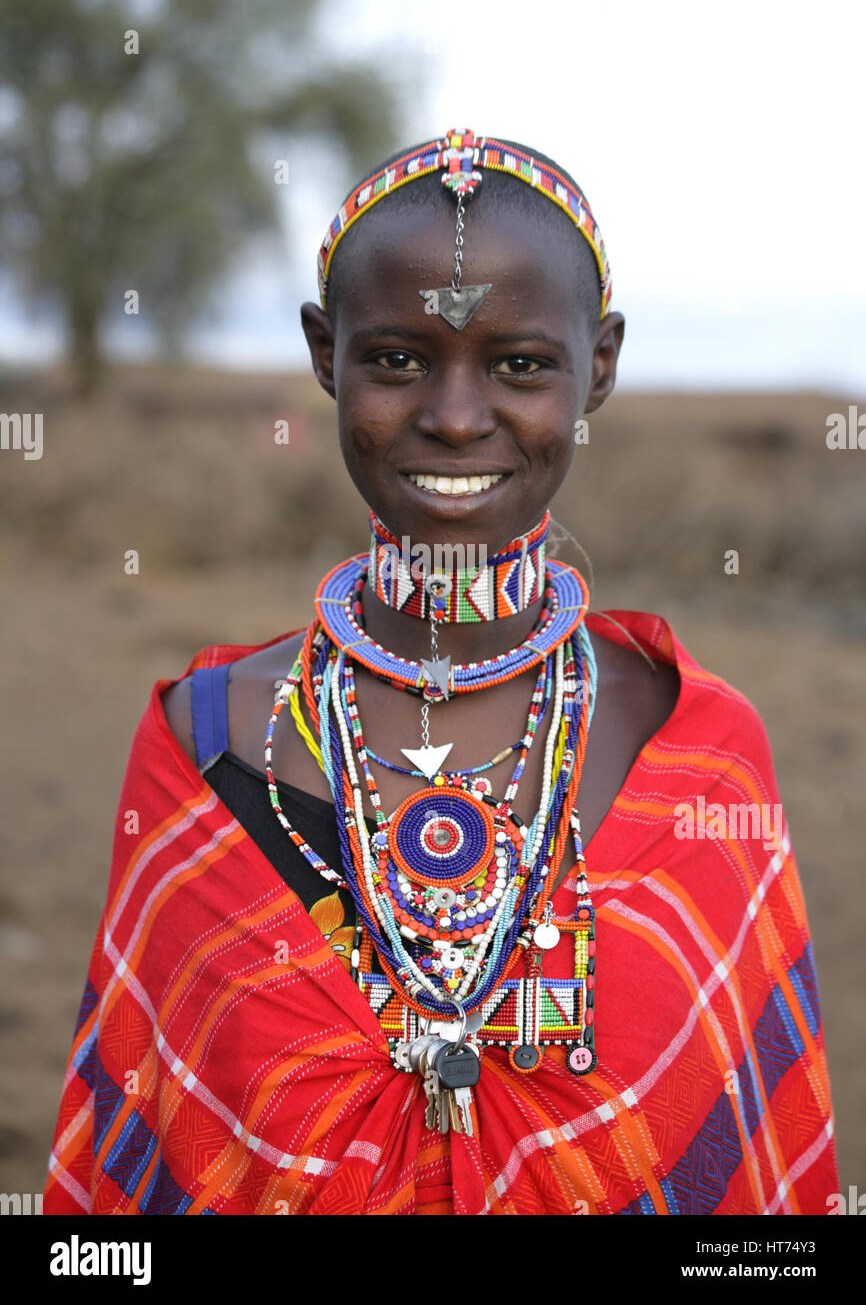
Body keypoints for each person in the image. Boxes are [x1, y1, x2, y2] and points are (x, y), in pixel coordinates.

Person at [44, 130, 838, 1215]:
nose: (456, 418)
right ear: (326, 355)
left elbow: (741, 1166)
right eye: (396, 359)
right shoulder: (203, 739)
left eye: (519, 364)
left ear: (596, 367)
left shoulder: (694, 752)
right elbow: (139, 1157)